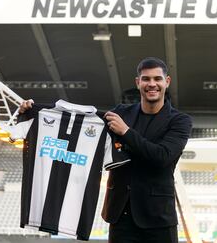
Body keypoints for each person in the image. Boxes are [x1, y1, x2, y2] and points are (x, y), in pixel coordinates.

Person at [19, 57, 192, 243]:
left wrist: (125, 132)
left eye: (157, 79)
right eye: (146, 79)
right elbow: (82, 121)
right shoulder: (121, 113)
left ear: (167, 81)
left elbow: (162, 157)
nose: (152, 84)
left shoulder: (180, 120)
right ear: (138, 82)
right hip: (119, 215)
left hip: (158, 218)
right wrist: (35, 109)